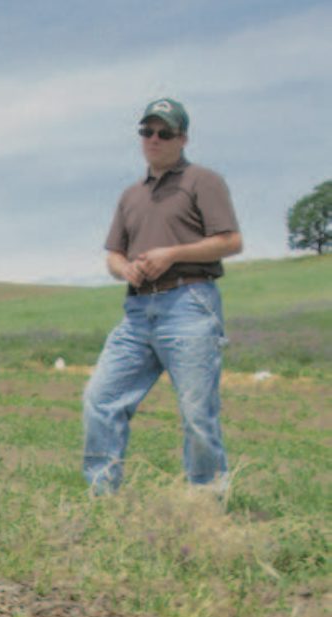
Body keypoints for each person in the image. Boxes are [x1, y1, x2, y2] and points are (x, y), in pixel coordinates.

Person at [82, 98, 243, 495]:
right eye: (147, 131)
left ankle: (206, 507)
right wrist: (127, 268)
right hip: (137, 311)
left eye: (164, 132)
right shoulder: (130, 195)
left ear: (182, 138)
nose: (153, 139)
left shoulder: (203, 181)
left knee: (196, 414)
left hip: (189, 304)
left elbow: (231, 241)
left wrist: (172, 254)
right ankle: (102, 499)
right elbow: (113, 256)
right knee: (100, 399)